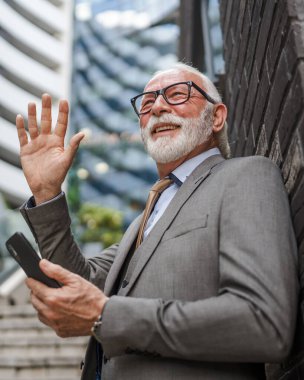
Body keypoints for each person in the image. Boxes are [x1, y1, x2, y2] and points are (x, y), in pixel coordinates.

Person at [16, 63, 298, 380]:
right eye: (147, 104)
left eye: (177, 94)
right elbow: (77, 284)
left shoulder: (244, 177)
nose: (159, 107)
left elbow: (264, 322)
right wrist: (46, 193)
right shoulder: (143, 222)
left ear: (217, 116)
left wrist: (107, 316)